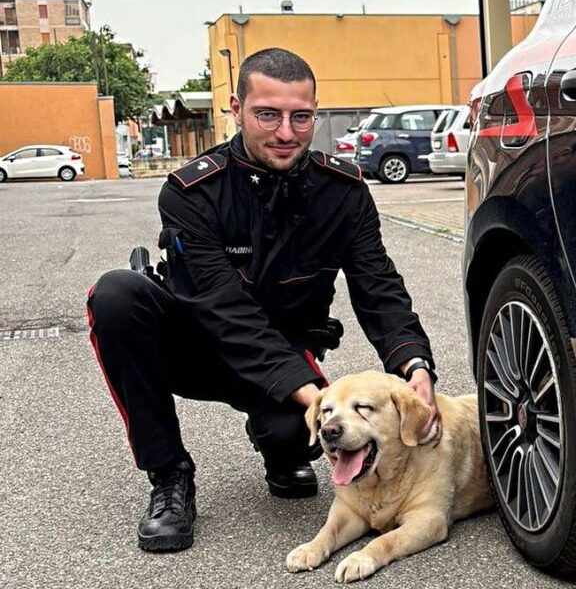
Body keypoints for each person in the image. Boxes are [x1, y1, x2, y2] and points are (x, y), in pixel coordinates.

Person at [86, 48, 440, 553]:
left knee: (296, 434)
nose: (286, 133)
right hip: (198, 345)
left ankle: (281, 450)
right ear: (237, 108)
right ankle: (169, 478)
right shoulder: (191, 192)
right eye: (267, 114)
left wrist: (415, 365)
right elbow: (223, 308)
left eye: (301, 117)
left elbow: (378, 285)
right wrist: (311, 394)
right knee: (117, 295)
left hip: (285, 350)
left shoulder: (343, 192)